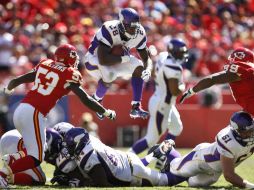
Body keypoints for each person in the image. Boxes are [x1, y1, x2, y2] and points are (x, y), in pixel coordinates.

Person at [0, 43, 116, 187]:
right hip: (34, 112)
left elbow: (20, 79)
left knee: (35, 150)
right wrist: (105, 111)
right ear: (70, 58)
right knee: (36, 157)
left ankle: (12, 159)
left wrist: (9, 87)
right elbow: (85, 99)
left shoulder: (45, 63)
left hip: (21, 109)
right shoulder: (69, 73)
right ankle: (3, 174)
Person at [84, 8, 153, 120]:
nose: (133, 29)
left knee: (139, 67)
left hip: (116, 59)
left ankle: (136, 106)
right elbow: (103, 59)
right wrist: (125, 58)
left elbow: (146, 57)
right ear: (121, 24)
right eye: (130, 26)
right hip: (94, 60)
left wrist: (148, 69)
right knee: (110, 74)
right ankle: (97, 99)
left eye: (135, 26)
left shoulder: (140, 32)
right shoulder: (109, 29)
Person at [164, 111, 254, 189]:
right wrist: (250, 186)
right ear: (236, 131)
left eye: (251, 129)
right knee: (173, 173)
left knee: (193, 184)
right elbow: (229, 175)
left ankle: (180, 167)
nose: (250, 133)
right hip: (201, 158)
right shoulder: (228, 140)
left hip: (215, 170)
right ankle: (165, 150)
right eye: (246, 131)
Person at [131, 39, 188, 161]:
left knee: (176, 127)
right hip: (163, 105)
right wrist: (183, 86)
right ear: (173, 51)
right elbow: (174, 91)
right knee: (151, 139)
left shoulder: (163, 56)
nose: (182, 54)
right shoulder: (174, 67)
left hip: (160, 98)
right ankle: (128, 157)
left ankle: (163, 157)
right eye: (180, 52)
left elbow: (153, 72)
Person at [62, 127, 177, 187]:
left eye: (71, 146)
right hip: (127, 158)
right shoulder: (90, 139)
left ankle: (181, 161)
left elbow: (103, 184)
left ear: (79, 144)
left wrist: (80, 183)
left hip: (133, 173)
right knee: (135, 166)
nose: (68, 148)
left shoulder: (87, 157)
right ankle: (156, 154)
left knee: (171, 179)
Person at [180, 47, 254, 116]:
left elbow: (212, 79)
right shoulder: (249, 70)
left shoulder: (242, 70)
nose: (231, 62)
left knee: (239, 123)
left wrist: (192, 91)